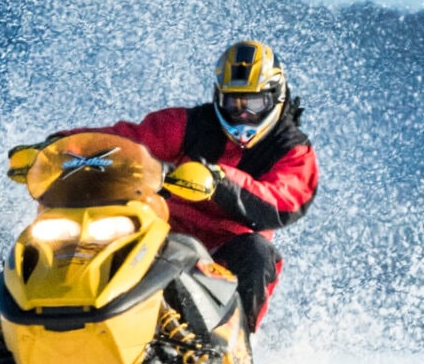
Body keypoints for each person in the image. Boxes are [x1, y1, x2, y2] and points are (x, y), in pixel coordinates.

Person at [42, 40, 321, 330]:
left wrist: (219, 180)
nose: (242, 115)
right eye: (232, 102)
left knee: (258, 254)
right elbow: (126, 139)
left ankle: (235, 355)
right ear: (218, 97)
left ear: (274, 97)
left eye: (252, 104)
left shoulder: (293, 150)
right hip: (162, 231)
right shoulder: (189, 124)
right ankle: (31, 320)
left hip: (224, 252)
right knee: (90, 224)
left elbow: (283, 200)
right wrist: (61, 146)